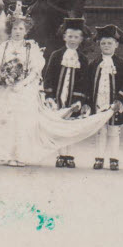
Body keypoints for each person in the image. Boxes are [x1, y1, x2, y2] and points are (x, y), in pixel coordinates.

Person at [0, 4, 45, 167]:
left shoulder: (31, 47)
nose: (17, 31)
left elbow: (37, 68)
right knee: (6, 120)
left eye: (21, 28)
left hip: (24, 90)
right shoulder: (4, 46)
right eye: (14, 28)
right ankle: (6, 154)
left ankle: (21, 155)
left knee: (22, 122)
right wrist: (3, 77)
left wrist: (23, 82)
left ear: (26, 30)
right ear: (10, 29)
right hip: (7, 89)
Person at [43, 17, 93, 168]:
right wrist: (49, 96)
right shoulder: (56, 55)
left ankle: (69, 155)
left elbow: (85, 81)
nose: (72, 40)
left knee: (71, 127)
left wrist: (80, 100)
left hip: (73, 98)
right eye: (70, 36)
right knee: (59, 126)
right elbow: (49, 76)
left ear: (81, 39)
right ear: (64, 36)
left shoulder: (83, 59)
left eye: (76, 37)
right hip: (58, 96)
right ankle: (60, 155)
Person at [89, 25, 123, 171]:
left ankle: (114, 159)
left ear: (116, 45)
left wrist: (120, 100)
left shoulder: (121, 64)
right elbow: (88, 84)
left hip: (114, 103)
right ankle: (99, 158)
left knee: (114, 131)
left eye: (110, 43)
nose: (106, 46)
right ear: (99, 45)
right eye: (103, 43)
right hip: (98, 102)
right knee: (100, 131)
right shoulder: (94, 64)